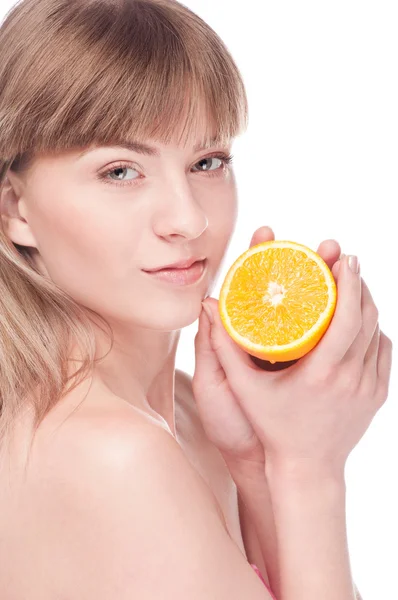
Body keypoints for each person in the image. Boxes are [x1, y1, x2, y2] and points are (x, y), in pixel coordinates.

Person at [0, 0, 392, 598]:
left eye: (207, 161)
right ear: (15, 210)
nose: (187, 219)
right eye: (120, 172)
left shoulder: (187, 411)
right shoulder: (111, 453)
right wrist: (310, 471)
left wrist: (257, 466)